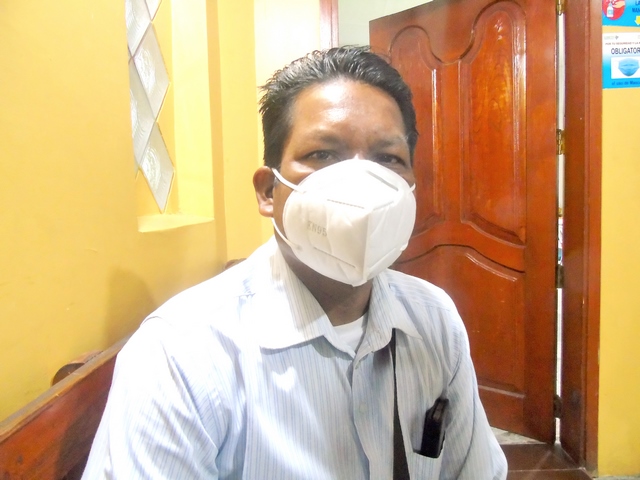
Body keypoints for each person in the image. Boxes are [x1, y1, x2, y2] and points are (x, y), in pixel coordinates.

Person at [82, 46, 507, 479]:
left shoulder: (434, 319)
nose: (360, 185)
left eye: (388, 159)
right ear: (269, 192)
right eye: (323, 154)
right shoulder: (180, 355)